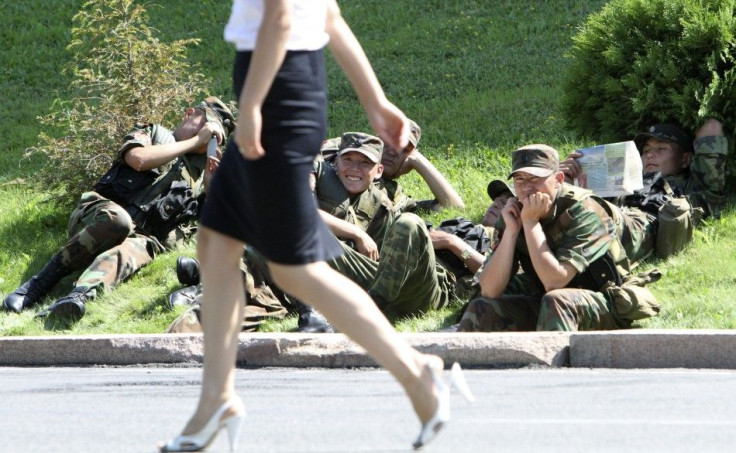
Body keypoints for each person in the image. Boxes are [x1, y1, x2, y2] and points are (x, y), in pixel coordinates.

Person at [157, 2, 472, 452]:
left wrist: (249, 108)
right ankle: (217, 400)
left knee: (294, 269)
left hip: (275, 100)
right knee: (216, 246)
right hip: (283, 91)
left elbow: (282, 17)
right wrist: (375, 102)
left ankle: (418, 374)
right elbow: (329, 14)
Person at [3, 97, 232, 321]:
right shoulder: (153, 133)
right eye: (205, 124)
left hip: (144, 236)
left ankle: (76, 298)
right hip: (100, 213)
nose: (206, 135)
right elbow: (138, 159)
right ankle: (37, 285)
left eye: (214, 135)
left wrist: (212, 186)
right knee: (119, 220)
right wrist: (193, 142)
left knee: (131, 252)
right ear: (189, 114)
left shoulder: (201, 176)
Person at [456, 144, 655, 333]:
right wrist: (511, 232)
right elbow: (490, 290)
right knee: (481, 307)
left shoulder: (584, 211)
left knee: (557, 300)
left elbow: (554, 281)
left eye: (535, 179)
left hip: (601, 302)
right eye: (520, 180)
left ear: (559, 179)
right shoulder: (512, 214)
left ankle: (549, 368)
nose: (527, 189)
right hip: (544, 302)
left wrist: (531, 223)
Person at [560, 119, 728, 219]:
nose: (650, 155)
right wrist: (566, 178)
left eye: (661, 149)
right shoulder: (622, 185)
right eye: (646, 150)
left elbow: (711, 127)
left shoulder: (696, 191)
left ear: (685, 159)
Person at [321, 119, 465, 212]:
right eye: (389, 143)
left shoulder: (392, 195)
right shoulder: (344, 147)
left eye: (403, 149)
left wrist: (418, 161)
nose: (393, 152)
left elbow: (454, 206)